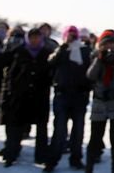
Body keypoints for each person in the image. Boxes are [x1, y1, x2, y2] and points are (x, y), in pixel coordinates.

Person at [0, 27, 53, 167]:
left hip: (39, 95)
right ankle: (11, 153)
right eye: (32, 37)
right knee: (16, 126)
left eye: (37, 37)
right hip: (20, 95)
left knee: (41, 127)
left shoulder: (47, 53)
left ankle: (41, 155)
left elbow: (51, 74)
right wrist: (11, 89)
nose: (35, 40)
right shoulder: (19, 52)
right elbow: (10, 72)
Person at [44, 26, 92, 172]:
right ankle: (52, 161)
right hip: (62, 95)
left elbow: (90, 72)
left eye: (74, 35)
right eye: (69, 35)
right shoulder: (61, 50)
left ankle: (76, 159)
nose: (71, 37)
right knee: (59, 131)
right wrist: (63, 48)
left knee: (78, 132)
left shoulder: (84, 51)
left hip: (79, 96)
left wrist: (86, 89)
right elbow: (51, 63)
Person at [85, 30, 114, 173]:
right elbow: (90, 75)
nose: (109, 46)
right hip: (100, 102)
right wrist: (100, 59)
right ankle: (89, 168)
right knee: (95, 138)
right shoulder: (95, 56)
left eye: (111, 43)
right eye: (105, 44)